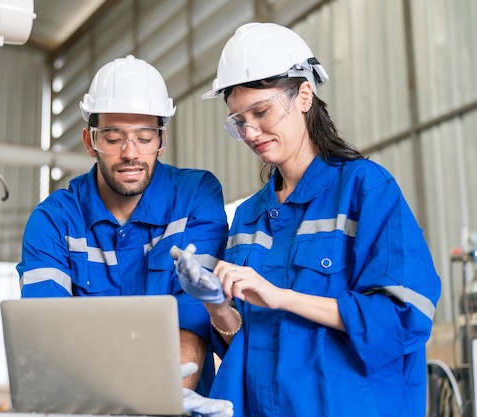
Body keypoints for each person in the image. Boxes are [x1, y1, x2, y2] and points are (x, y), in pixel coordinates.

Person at [175, 22, 441, 417]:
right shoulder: (249, 216)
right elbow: (248, 345)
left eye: (261, 112)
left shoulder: (365, 189)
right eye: (238, 121)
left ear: (303, 94)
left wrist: (281, 297)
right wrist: (217, 306)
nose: (250, 132)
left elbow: (404, 317)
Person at [16, 55, 232, 415]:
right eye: (113, 138)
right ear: (90, 141)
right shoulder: (53, 221)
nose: (130, 153)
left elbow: (191, 319)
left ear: (161, 140)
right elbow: (47, 338)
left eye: (144, 138)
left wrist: (162, 401)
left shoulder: (196, 196)